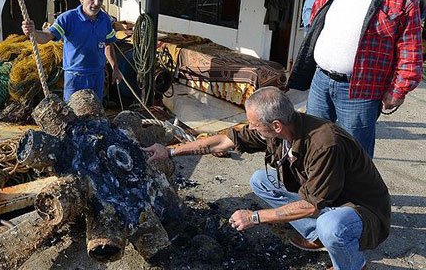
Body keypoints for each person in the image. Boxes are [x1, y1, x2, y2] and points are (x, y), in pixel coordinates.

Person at [143, 87, 390, 270]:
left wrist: (254, 217)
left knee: (332, 227)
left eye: (253, 125)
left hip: (361, 210)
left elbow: (310, 204)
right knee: (260, 180)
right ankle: (316, 237)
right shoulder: (280, 129)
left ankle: (353, 265)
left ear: (276, 124)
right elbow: (224, 140)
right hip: (325, 198)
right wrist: (171, 151)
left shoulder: (325, 144)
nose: (251, 129)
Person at [288, 0, 423, 158]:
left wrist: (398, 90)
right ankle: (314, 190)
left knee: (354, 154)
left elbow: (410, 51)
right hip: (321, 80)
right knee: (312, 145)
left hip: (361, 90)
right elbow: (316, 18)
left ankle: (355, 194)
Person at [21, 0, 122, 101]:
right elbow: (47, 37)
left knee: (96, 115)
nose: (97, 3)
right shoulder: (67, 18)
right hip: (75, 78)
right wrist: (33, 32)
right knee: (73, 113)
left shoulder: (105, 19)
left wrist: (115, 68)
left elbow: (108, 44)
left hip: (97, 76)